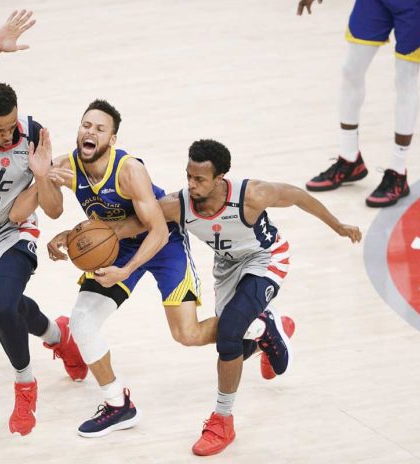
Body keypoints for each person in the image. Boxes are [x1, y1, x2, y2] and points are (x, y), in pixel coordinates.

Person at [25, 100, 291, 438]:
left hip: (163, 245)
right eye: (86, 125)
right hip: (116, 245)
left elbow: (159, 230)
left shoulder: (129, 170)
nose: (90, 132)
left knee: (187, 335)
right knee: (83, 321)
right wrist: (43, 178)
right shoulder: (67, 165)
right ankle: (117, 404)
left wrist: (125, 270)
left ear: (113, 138)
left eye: (99, 128)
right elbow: (52, 209)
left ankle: (258, 327)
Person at [113, 139, 361, 456]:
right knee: (235, 343)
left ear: (220, 178)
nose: (191, 184)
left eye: (199, 179)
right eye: (188, 176)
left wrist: (338, 226)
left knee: (228, 336)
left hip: (266, 259)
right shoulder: (181, 204)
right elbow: (143, 221)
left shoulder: (252, 194)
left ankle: (222, 420)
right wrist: (95, 234)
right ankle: (265, 331)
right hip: (227, 269)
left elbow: (298, 196)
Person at [0, 10, 86, 437]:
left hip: (15, 231)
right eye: (0, 130)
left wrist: (43, 176)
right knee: (11, 309)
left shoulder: (33, 134)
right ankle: (59, 335)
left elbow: (49, 211)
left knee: (5, 305)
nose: (10, 136)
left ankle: (25, 385)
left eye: (13, 126)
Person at [299, 0, 420, 207]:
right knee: (351, 70)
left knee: (405, 79)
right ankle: (349, 159)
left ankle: (398, 172)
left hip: (417, 5)